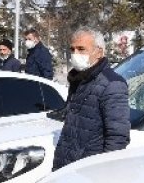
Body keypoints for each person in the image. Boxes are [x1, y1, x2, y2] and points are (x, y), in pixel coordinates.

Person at [52, 29, 130, 170]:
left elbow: (117, 136)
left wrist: (104, 172)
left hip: (90, 170)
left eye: (81, 49)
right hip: (67, 165)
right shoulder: (78, 79)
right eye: (73, 49)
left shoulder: (112, 84)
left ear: (99, 52)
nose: (75, 54)